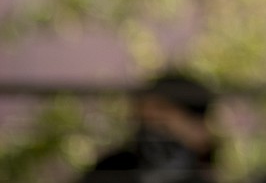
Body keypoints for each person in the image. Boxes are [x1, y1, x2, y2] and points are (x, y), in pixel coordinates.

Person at [77, 72, 218, 183]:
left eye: (162, 125)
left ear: (199, 130)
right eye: (143, 123)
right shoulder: (111, 170)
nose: (151, 136)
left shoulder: (204, 174)